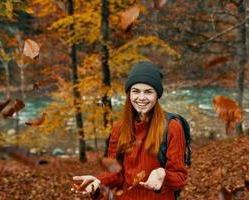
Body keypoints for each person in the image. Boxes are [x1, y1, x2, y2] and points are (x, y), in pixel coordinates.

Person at [73, 61, 188, 200]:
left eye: (148, 92)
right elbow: (116, 174)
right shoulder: (118, 128)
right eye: (136, 91)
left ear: (157, 95)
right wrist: (98, 182)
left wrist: (163, 175)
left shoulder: (172, 127)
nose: (141, 98)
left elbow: (180, 177)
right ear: (129, 94)